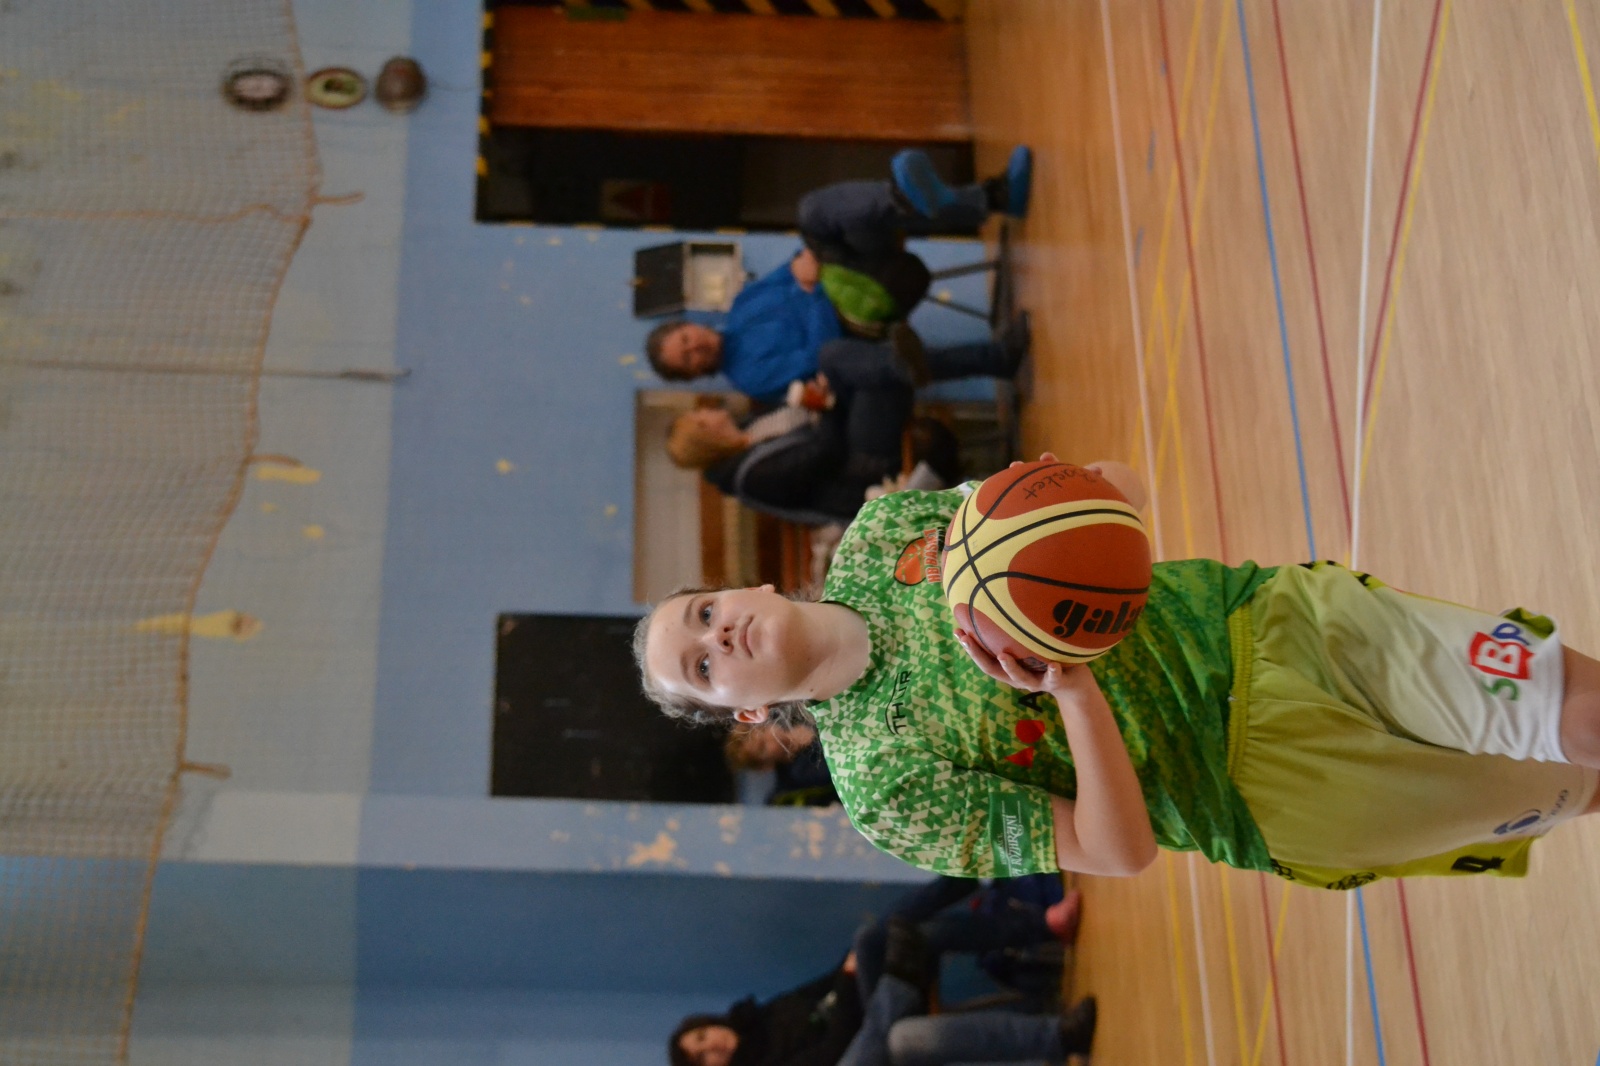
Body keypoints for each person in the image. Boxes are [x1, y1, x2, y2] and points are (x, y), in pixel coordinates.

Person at [632, 457, 1600, 890]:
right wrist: (1070, 688)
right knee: (1577, 784)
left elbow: (1117, 496)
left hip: (1264, 617)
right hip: (1260, 789)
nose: (721, 637)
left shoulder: (888, 529)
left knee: (1579, 713)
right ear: (744, 711)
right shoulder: (885, 793)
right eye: (701, 667)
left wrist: (1087, 493)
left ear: (747, 585)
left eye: (704, 613)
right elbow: (1117, 850)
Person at [645, 148, 1034, 406]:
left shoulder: (742, 305)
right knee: (837, 354)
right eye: (687, 359)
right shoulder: (750, 377)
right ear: (694, 374)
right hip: (858, 323)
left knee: (813, 211)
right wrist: (811, 290)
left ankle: (981, 198)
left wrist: (808, 272)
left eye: (686, 339)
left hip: (852, 270)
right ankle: (999, 356)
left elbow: (798, 265)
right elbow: (819, 352)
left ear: (688, 325)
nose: (696, 348)